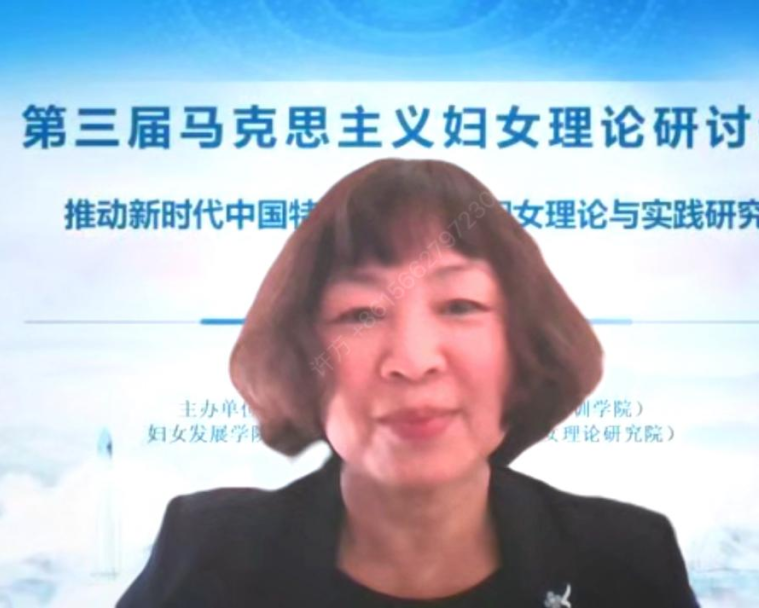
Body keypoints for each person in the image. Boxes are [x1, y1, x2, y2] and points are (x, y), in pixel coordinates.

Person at [116, 159, 699, 607]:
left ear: (524, 347)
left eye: (461, 305)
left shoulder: (625, 561)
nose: (413, 360)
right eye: (361, 313)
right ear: (303, 357)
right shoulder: (209, 555)